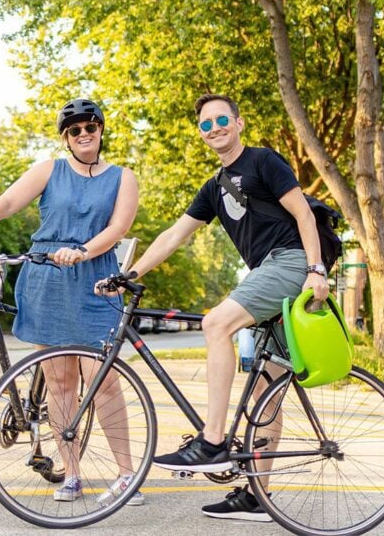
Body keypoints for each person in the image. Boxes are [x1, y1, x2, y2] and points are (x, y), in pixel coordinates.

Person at [113, 93, 329, 522]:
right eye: (206, 124)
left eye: (221, 120)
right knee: (268, 391)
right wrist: (131, 274)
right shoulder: (213, 188)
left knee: (216, 324)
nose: (215, 129)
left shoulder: (264, 161)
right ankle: (257, 496)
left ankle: (212, 440)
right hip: (268, 271)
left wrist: (316, 269)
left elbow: (304, 214)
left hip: (289, 263)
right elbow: (174, 236)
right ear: (201, 133)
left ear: (239, 122)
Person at [0, 98, 144, 506]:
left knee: (103, 380)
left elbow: (118, 228)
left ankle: (125, 474)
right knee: (61, 382)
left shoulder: (122, 177)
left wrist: (83, 251)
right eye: (75, 130)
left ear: (101, 130)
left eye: (90, 127)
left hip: (93, 278)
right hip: (46, 278)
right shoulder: (50, 169)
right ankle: (73, 474)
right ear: (66, 138)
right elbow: (8, 203)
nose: (84, 134)